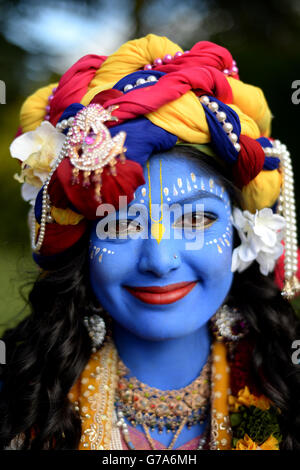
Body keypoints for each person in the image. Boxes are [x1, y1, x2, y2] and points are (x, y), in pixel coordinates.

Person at [1, 34, 300, 451]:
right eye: (120, 225)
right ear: (81, 243)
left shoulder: (290, 386)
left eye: (197, 218)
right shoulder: (20, 401)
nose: (160, 260)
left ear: (240, 230)